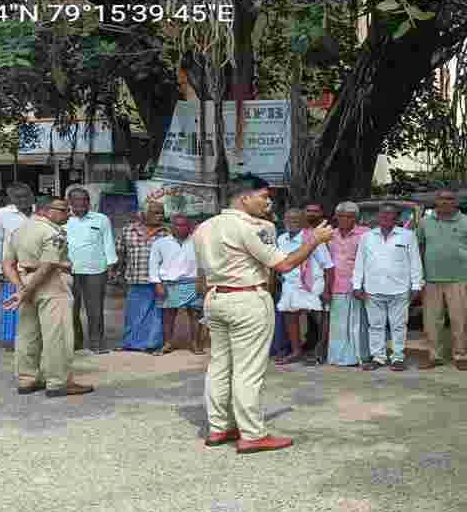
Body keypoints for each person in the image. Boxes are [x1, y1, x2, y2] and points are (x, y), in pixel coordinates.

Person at [192, 178, 334, 453]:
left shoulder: (204, 227)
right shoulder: (255, 226)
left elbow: (201, 272)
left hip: (216, 296)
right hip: (247, 298)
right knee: (248, 369)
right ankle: (252, 433)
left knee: (219, 365)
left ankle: (219, 427)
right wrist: (314, 239)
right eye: (263, 197)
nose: (269, 203)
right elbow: (284, 264)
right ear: (244, 198)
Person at [2, 197, 94, 398]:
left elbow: (7, 264)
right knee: (57, 336)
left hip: (26, 281)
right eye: (63, 209)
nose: (68, 213)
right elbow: (48, 265)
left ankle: (27, 379)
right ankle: (58, 382)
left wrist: (20, 288)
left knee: (27, 334)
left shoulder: (19, 231)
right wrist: (25, 291)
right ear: (45, 211)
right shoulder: (52, 232)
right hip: (52, 284)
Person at [353, 204, 424, 372]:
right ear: (377, 217)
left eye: (390, 215)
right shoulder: (367, 237)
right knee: (375, 326)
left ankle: (398, 357)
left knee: (398, 325)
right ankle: (378, 357)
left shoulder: (407, 236)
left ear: (396, 218)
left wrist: (416, 286)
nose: (386, 217)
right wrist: (357, 285)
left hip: (399, 289)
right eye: (383, 215)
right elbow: (360, 262)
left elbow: (415, 262)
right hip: (373, 289)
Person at [417, 190, 467, 371]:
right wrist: (418, 276)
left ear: (456, 202)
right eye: (441, 199)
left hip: (460, 279)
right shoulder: (424, 222)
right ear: (435, 201)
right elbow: (420, 248)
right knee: (431, 321)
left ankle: (462, 356)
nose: (445, 202)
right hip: (430, 279)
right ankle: (434, 355)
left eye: (450, 199)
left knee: (460, 320)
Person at [274, 208, 335, 364]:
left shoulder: (313, 238)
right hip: (291, 284)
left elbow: (328, 266)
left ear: (303, 221)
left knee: (319, 319)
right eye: (289, 218)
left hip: (313, 284)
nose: (292, 222)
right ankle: (296, 351)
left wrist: (327, 291)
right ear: (284, 221)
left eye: (296, 219)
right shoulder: (281, 239)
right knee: (290, 316)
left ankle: (320, 351)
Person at [65, 187, 117, 354]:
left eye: (85, 200)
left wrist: (111, 266)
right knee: (70, 308)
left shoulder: (101, 219)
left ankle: (97, 343)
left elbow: (108, 244)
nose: (81, 203)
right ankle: (75, 342)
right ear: (70, 203)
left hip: (96, 270)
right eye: (77, 200)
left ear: (89, 202)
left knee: (95, 309)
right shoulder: (63, 220)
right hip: (68, 270)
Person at [115, 202, 169, 352]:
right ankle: (131, 344)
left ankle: (151, 344)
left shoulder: (166, 233)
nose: (160, 216)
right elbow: (120, 253)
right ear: (143, 214)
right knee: (134, 314)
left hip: (158, 281)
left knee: (155, 315)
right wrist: (117, 273)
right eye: (155, 213)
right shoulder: (128, 230)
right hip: (135, 278)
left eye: (161, 213)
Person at [0, 183, 34, 351]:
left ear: (32, 196)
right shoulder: (0, 215)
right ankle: (12, 340)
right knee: (12, 303)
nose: (23, 200)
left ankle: (33, 340)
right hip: (12, 269)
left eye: (26, 196)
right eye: (18, 197)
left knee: (34, 305)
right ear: (11, 199)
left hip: (38, 269)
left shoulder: (41, 213)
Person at [150, 214, 204, 355]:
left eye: (184, 225)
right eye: (177, 225)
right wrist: (158, 284)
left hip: (193, 282)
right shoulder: (160, 243)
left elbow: (204, 263)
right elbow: (153, 265)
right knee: (168, 316)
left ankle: (195, 344)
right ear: (171, 227)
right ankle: (167, 343)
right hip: (169, 284)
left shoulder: (198, 242)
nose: (180, 228)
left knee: (196, 315)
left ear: (190, 227)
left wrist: (202, 281)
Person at [326, 201, 371, 367]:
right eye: (341, 216)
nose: (345, 219)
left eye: (349, 216)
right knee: (338, 325)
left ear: (355, 218)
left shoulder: (366, 234)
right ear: (336, 217)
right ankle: (338, 358)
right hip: (336, 284)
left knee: (358, 324)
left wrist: (363, 285)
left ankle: (360, 357)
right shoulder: (329, 234)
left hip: (357, 285)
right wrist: (325, 287)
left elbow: (370, 261)